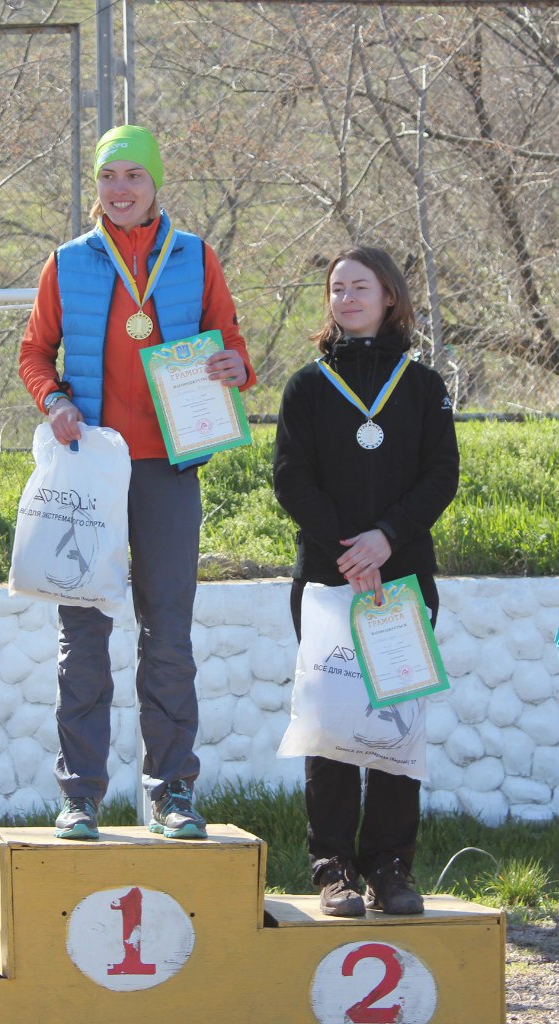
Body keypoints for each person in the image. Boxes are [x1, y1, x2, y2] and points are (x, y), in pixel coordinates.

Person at [19, 124, 255, 841]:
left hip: (168, 470)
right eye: (107, 177)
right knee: (83, 635)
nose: (120, 190)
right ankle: (80, 795)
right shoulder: (68, 262)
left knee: (168, 636)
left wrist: (236, 368)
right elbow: (34, 354)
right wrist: (54, 401)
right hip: (92, 473)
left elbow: (234, 345)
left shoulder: (196, 258)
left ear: (156, 184)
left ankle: (173, 792)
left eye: (133, 177)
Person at [273, 246, 459, 916]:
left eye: (360, 286)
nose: (346, 297)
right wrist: (349, 550)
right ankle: (334, 869)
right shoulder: (306, 387)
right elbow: (291, 479)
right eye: (336, 288)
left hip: (401, 582)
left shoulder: (423, 385)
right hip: (328, 583)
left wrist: (386, 539)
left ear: (389, 296)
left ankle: (390, 866)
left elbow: (441, 476)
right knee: (331, 725)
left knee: (395, 724)